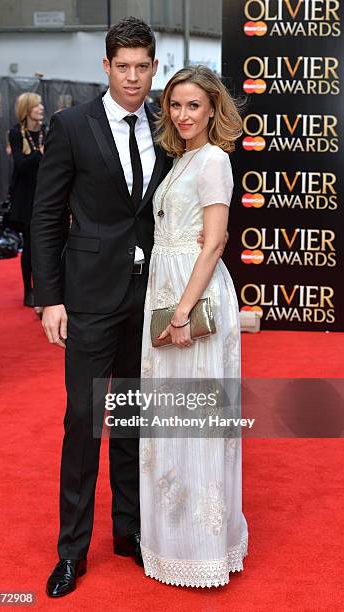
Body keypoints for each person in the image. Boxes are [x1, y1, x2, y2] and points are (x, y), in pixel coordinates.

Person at [31, 18, 177, 598]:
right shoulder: (70, 126)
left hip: (147, 299)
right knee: (84, 422)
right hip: (88, 298)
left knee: (133, 422)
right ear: (106, 68)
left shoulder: (167, 127)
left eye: (143, 66)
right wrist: (51, 298)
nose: (134, 77)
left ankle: (130, 533)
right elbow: (44, 216)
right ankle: (71, 551)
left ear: (154, 66)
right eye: (124, 67)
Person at [139, 65, 249, 587]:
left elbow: (214, 243)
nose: (183, 115)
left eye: (194, 106)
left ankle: (203, 550)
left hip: (193, 298)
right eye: (176, 105)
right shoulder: (182, 159)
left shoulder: (214, 162)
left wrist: (183, 311)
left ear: (212, 109)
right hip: (167, 292)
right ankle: (172, 541)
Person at [8, 93, 46, 307]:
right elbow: (20, 165)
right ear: (27, 109)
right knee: (30, 247)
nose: (41, 108)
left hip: (45, 195)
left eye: (41, 104)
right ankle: (28, 290)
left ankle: (44, 288)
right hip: (25, 199)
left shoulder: (46, 130)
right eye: (37, 105)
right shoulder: (15, 133)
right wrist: (39, 154)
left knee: (46, 245)